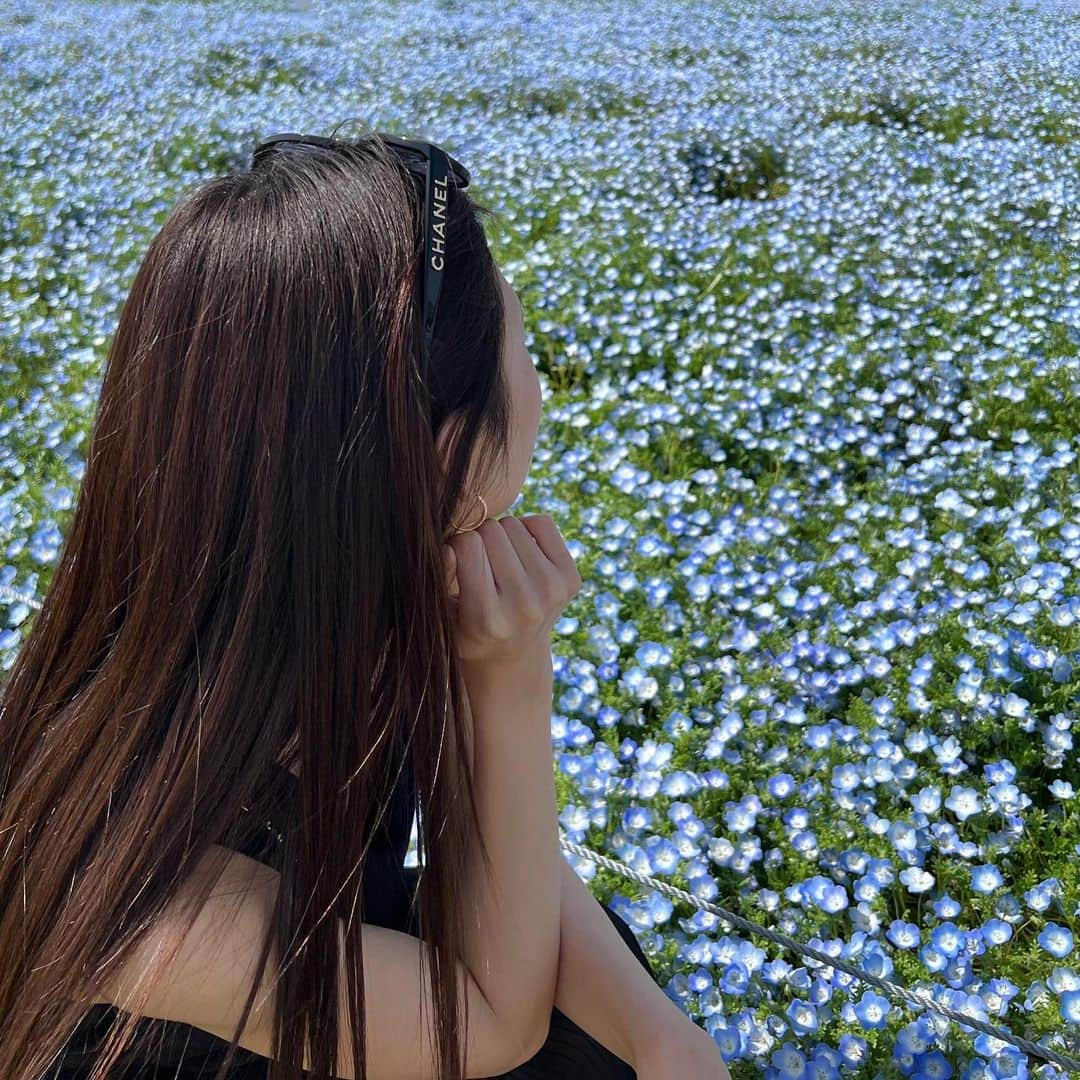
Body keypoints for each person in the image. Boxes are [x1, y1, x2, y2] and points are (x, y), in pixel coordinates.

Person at [0, 123, 729, 1079]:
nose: (543, 388)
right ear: (443, 454)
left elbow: (501, 849)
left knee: (605, 1001)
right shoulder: (131, 870)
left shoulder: (321, 585)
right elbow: (485, 1027)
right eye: (527, 349)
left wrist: (666, 1034)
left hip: (323, 982)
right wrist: (510, 676)